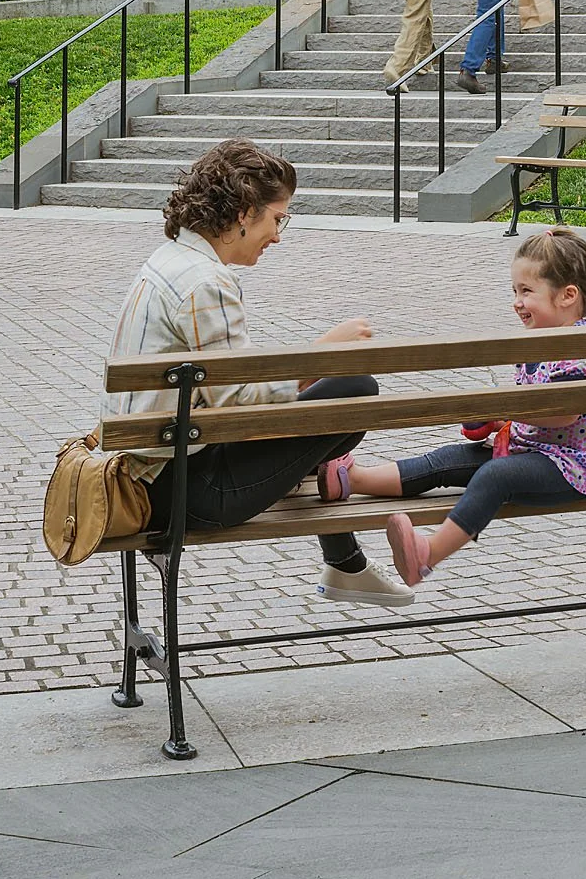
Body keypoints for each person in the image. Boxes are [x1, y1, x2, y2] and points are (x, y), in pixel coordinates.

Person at [104, 140, 413, 605]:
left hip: (151, 470)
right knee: (355, 387)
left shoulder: (167, 261)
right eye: (277, 218)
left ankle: (345, 562)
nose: (278, 234)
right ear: (246, 212)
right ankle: (345, 563)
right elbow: (238, 407)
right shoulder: (206, 283)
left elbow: (222, 396)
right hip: (188, 491)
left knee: (330, 408)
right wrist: (320, 356)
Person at [317, 228, 586, 588]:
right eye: (515, 291)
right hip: (539, 451)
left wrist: (504, 408)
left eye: (526, 291)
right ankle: (354, 478)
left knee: (494, 477)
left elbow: (563, 413)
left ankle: (426, 556)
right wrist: (501, 417)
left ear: (568, 296)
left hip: (577, 468)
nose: (517, 301)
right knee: (451, 460)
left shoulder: (582, 347)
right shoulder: (550, 340)